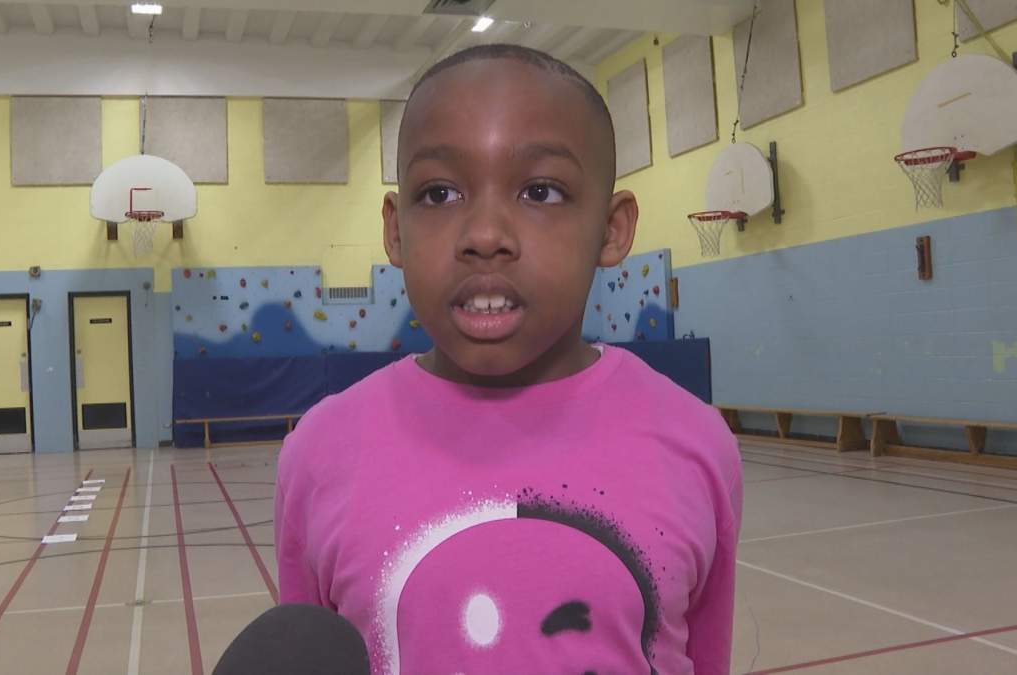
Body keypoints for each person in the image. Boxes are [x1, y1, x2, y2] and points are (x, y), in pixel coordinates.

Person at [275, 44, 742, 674]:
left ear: (611, 230)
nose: (485, 235)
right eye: (439, 193)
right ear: (395, 230)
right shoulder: (320, 452)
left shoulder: (697, 445)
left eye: (540, 191)